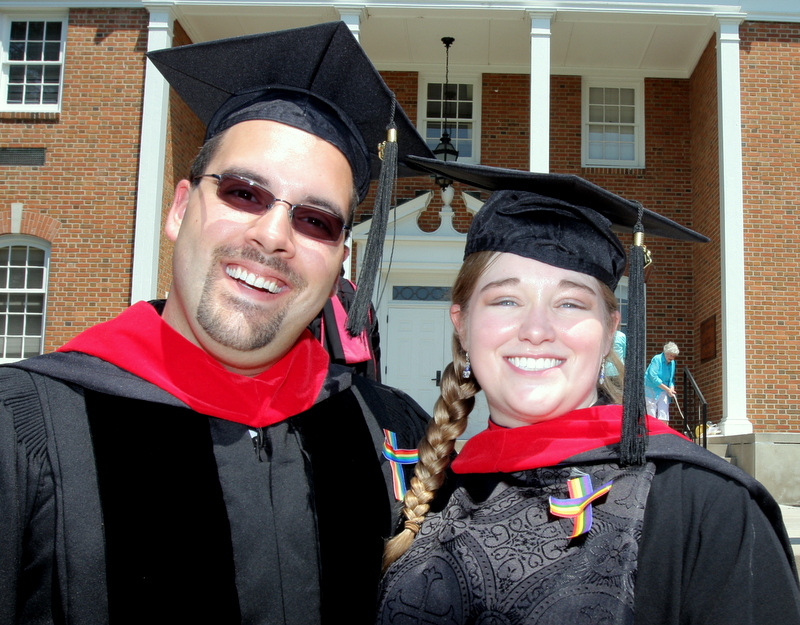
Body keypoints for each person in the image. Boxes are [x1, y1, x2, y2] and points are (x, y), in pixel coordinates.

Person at [0, 23, 434, 624]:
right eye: (244, 193)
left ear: (341, 260)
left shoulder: (387, 429)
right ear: (180, 209)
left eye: (316, 221)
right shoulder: (26, 429)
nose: (272, 235)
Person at [377, 158, 800, 625]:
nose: (536, 329)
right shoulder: (430, 492)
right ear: (462, 325)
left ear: (609, 329)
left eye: (570, 302)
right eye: (506, 299)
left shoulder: (706, 508)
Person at [645, 341, 679, 421]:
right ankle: (652, 433)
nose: (672, 358)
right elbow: (653, 377)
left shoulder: (672, 363)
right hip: (651, 389)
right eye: (670, 355)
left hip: (663, 390)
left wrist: (671, 388)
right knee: (651, 414)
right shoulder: (657, 359)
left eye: (674, 356)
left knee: (664, 413)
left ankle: (664, 432)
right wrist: (667, 389)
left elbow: (671, 379)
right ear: (665, 352)